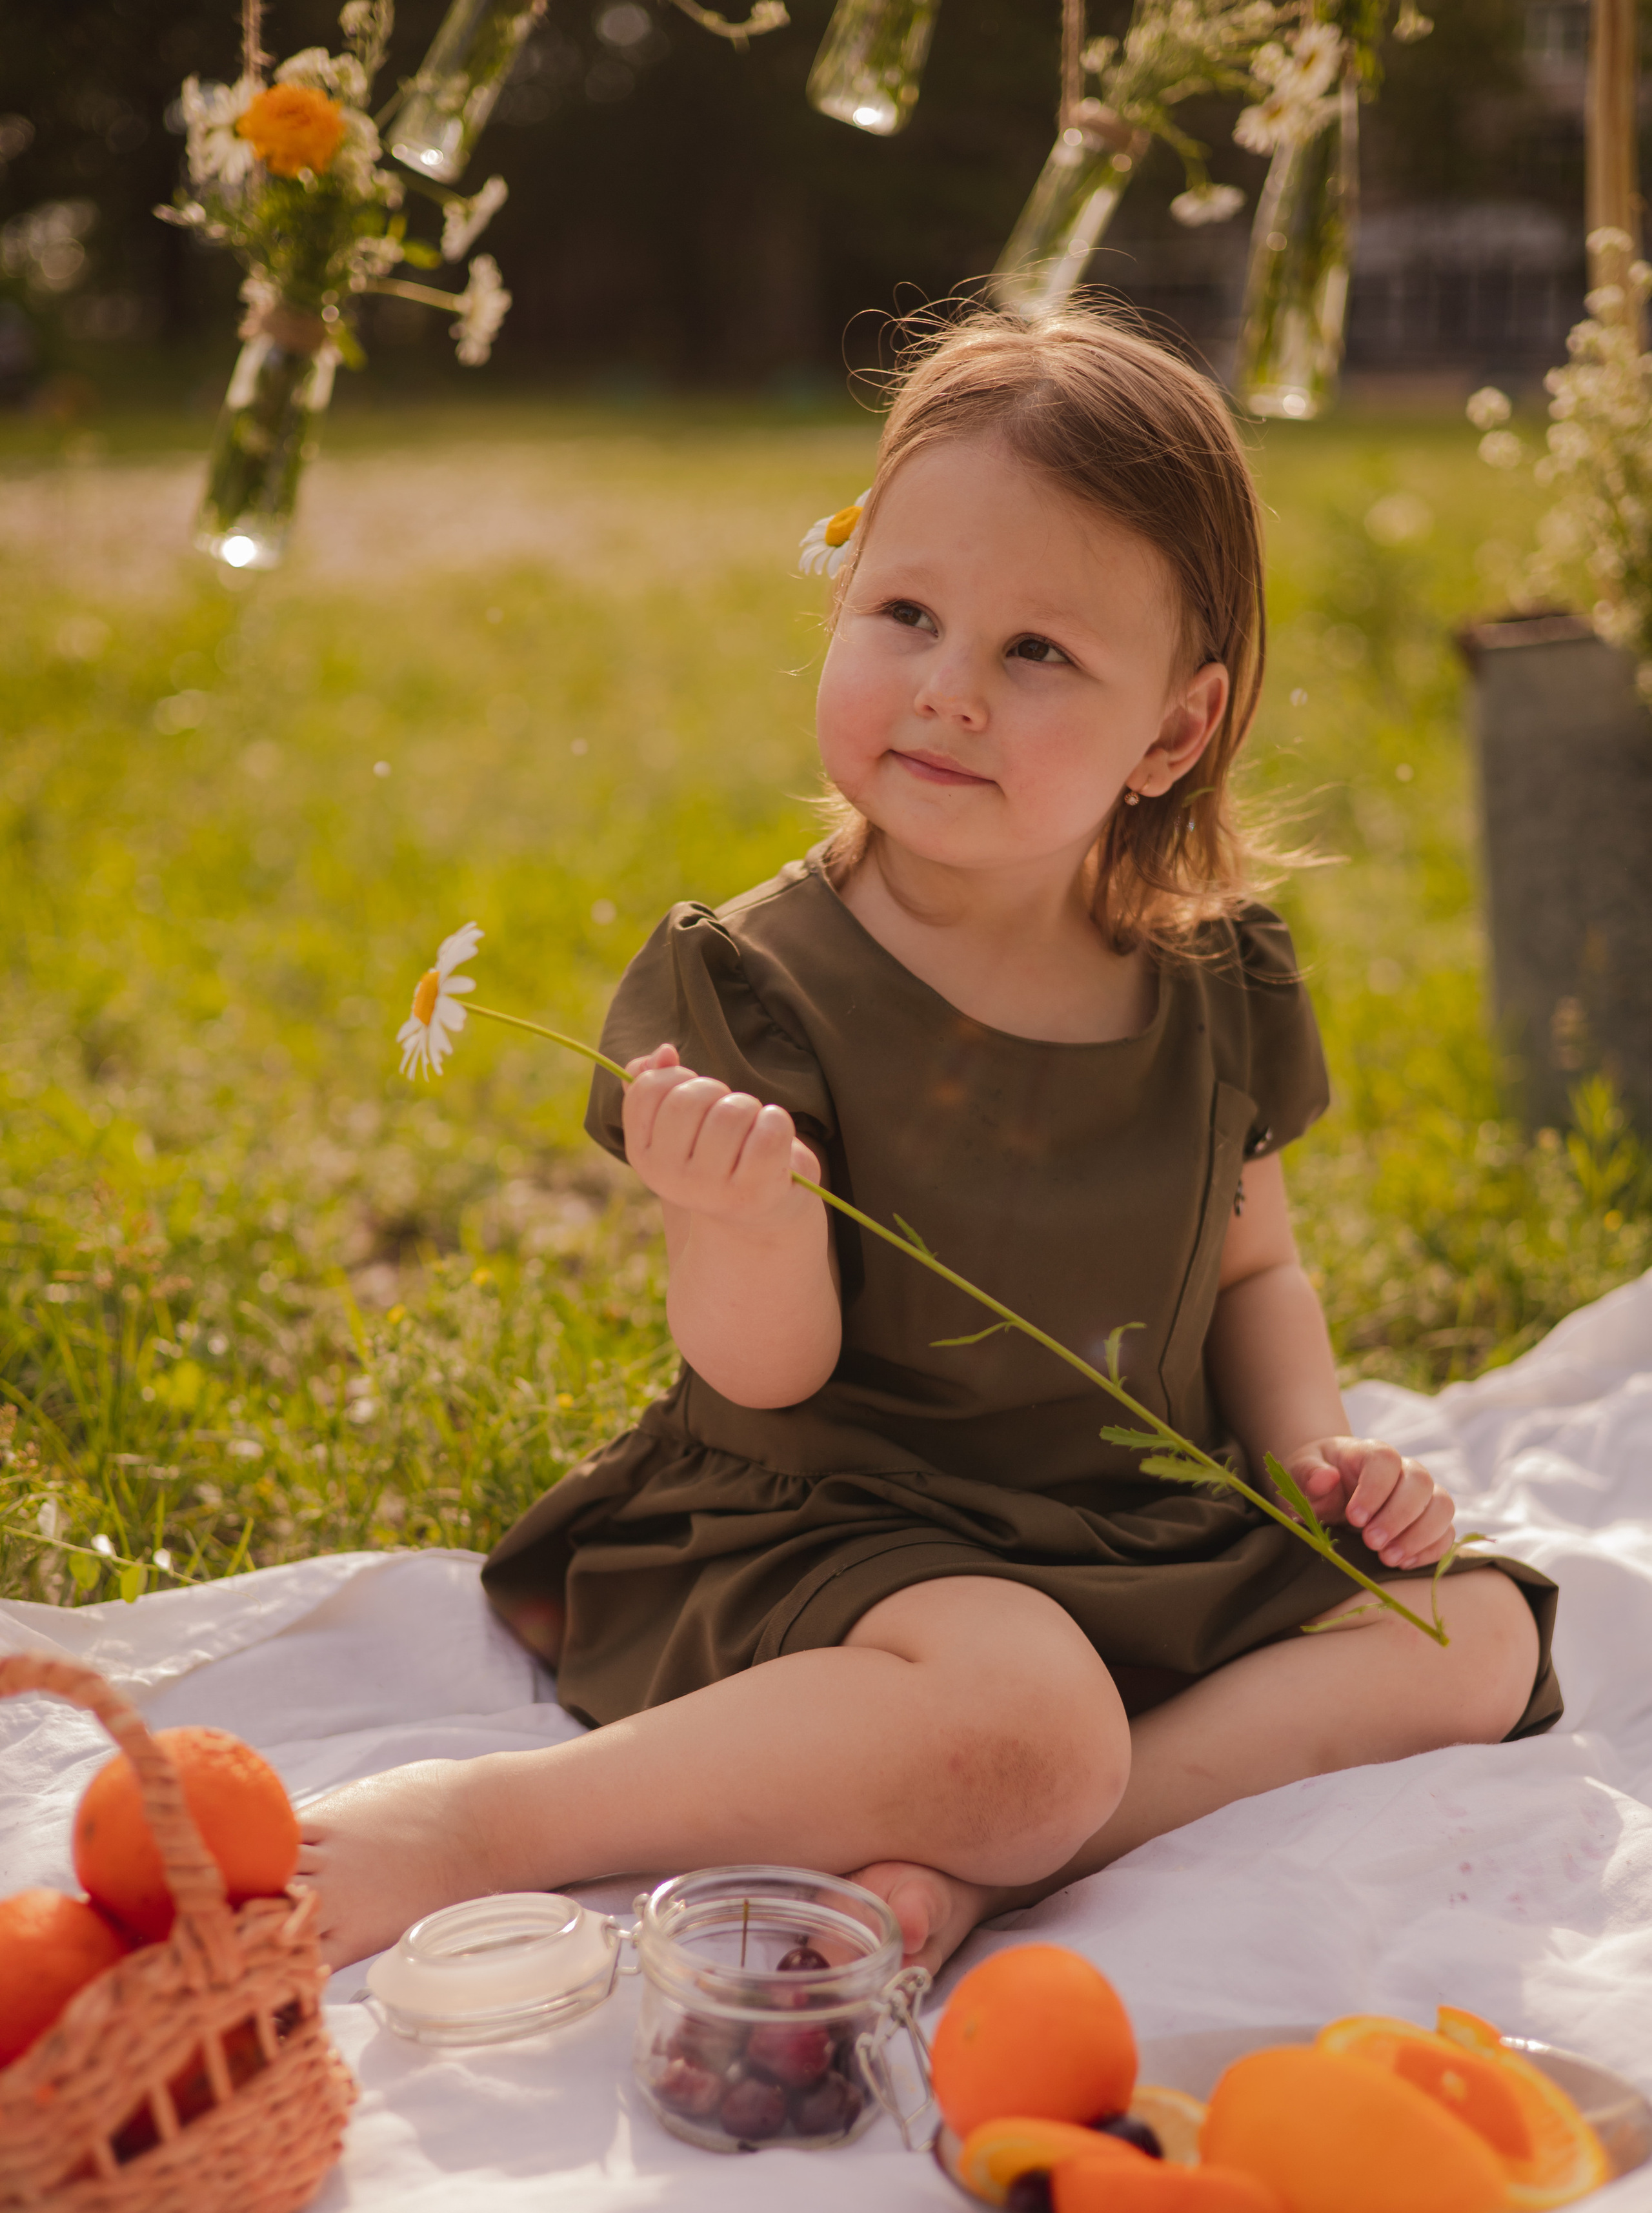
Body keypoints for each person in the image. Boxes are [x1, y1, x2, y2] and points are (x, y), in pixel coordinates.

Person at [299, 310, 1559, 1971]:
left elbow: (1253, 1269)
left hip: (1133, 1522)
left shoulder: (1219, 978)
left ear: (1171, 734)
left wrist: (1317, 1463)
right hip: (845, 1546)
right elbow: (763, 1376)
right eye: (904, 615)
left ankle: (1011, 1851)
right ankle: (491, 1826)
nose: (947, 691)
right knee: (1026, 1715)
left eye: (1036, 653)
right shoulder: (756, 983)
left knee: (1472, 1632)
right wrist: (742, 1221)